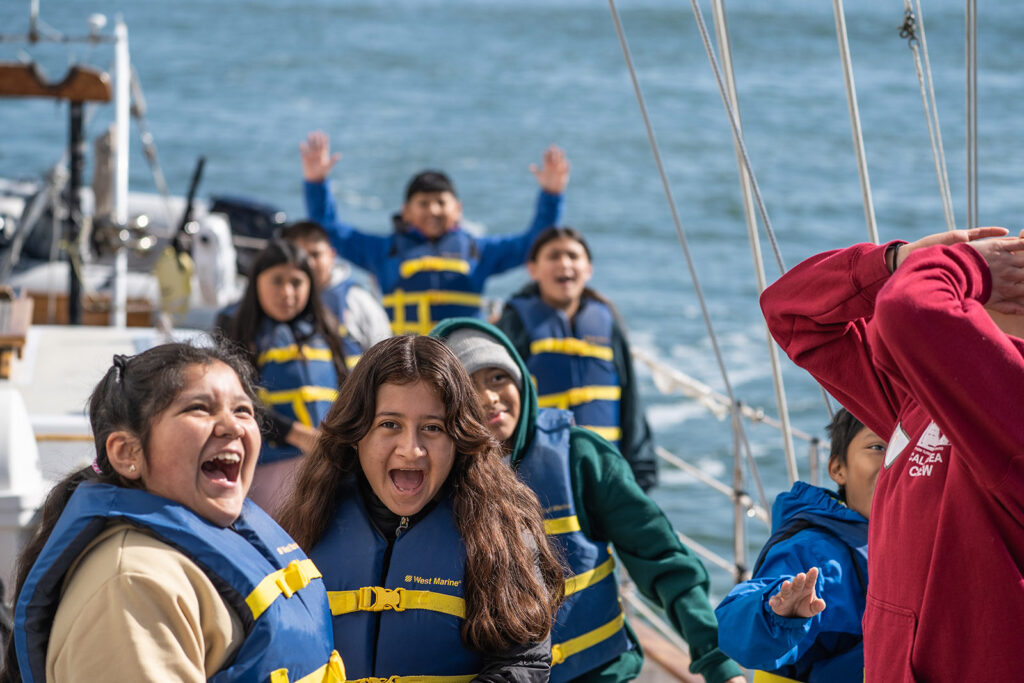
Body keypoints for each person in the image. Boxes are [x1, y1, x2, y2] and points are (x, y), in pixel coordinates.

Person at [759, 227, 1024, 682]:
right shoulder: (924, 400)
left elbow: (909, 309)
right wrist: (892, 262)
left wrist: (968, 267)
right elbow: (791, 313)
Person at [1, 343, 343, 683]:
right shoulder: (132, 587)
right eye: (199, 408)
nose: (233, 426)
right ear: (126, 452)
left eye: (243, 410)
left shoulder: (200, 544)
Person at [430, 318, 745, 683]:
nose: (489, 397)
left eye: (498, 377)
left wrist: (718, 662)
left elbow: (662, 560)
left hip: (602, 673)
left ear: (520, 379)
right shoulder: (434, 479)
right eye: (469, 386)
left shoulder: (580, 456)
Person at [277, 335, 564, 682]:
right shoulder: (307, 521)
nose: (411, 450)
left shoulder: (503, 533)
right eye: (389, 425)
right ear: (355, 433)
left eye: (432, 428)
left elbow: (522, 666)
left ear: (459, 439)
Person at [300, 130, 571, 335]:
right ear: (406, 211)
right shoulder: (383, 250)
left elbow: (534, 243)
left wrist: (551, 195)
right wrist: (316, 184)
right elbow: (331, 232)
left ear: (458, 209)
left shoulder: (479, 250)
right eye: (423, 203)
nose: (433, 210)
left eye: (441, 202)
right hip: (406, 356)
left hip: (462, 359)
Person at [715, 408, 884, 682]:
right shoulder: (815, 553)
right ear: (838, 468)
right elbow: (733, 629)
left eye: (909, 449)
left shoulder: (936, 548)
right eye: (878, 447)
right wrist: (779, 616)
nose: (894, 464)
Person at [496, 226, 658, 491]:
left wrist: (641, 473)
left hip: (604, 475)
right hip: (537, 479)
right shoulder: (514, 322)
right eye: (554, 256)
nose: (564, 263)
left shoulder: (607, 322)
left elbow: (631, 400)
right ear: (533, 269)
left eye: (573, 256)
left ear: (589, 269)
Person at [223, 239, 349, 516]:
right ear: (257, 281)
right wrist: (297, 435)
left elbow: (352, 390)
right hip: (269, 467)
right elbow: (233, 404)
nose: (287, 292)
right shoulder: (239, 332)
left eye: (297, 282)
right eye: (277, 281)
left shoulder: (328, 331)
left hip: (325, 465)